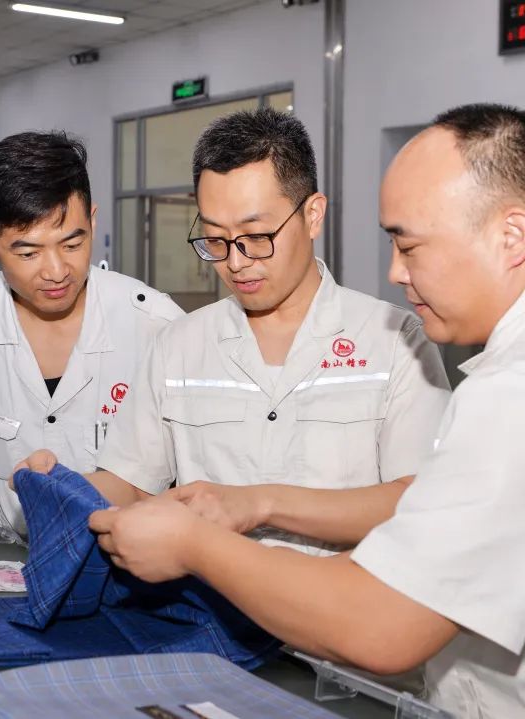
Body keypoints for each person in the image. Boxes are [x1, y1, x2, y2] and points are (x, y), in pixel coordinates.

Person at [86, 104, 525, 717]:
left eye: (410, 245)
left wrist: (196, 544)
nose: (394, 271)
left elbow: (381, 626)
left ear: (511, 236)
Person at [24, 107, 450, 555]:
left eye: (257, 236)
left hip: (343, 594)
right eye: (215, 239)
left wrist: (262, 505)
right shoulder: (179, 346)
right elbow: (133, 484)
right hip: (208, 597)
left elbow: (417, 499)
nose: (236, 261)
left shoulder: (393, 341)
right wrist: (65, 489)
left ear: (313, 215)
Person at [0, 131, 182, 535]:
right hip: (18, 553)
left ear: (92, 221)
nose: (57, 272)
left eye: (72, 245)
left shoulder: (157, 324)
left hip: (133, 558)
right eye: (28, 253)